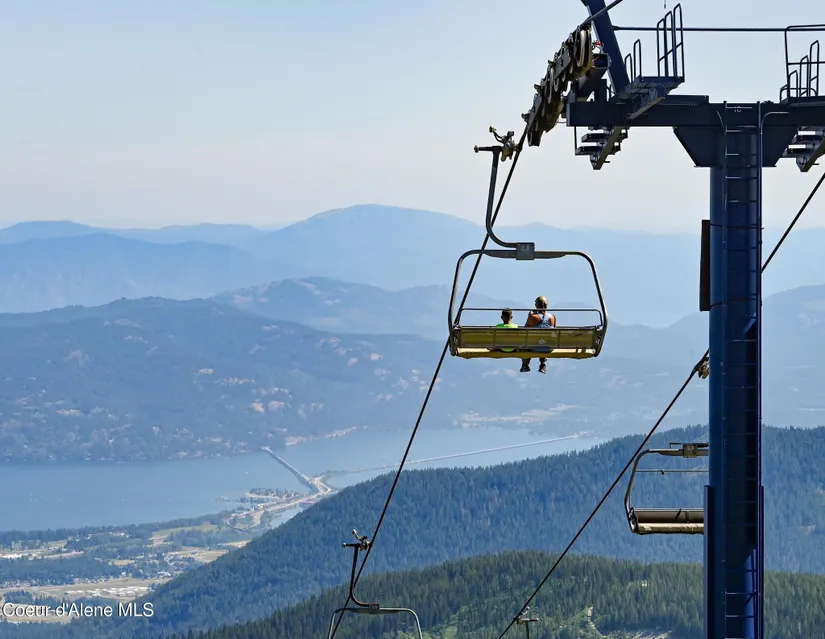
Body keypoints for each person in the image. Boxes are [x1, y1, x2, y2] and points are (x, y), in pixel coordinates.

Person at [520, 295, 555, 374]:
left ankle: (525, 365)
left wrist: (530, 316)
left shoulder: (533, 317)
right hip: (549, 347)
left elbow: (524, 330)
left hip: (535, 347)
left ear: (536, 305)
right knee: (544, 339)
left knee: (526, 342)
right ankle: (543, 364)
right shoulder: (552, 317)